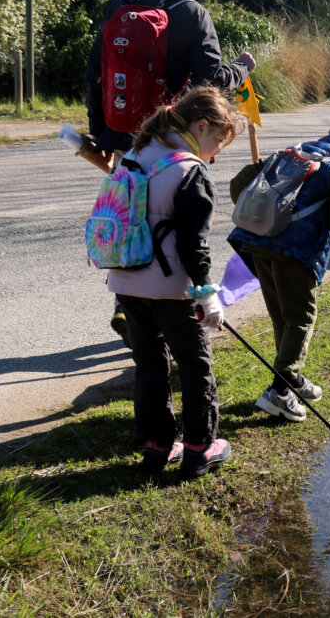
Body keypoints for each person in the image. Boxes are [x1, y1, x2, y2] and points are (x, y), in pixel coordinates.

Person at [82, 0, 255, 344]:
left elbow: (95, 72)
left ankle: (129, 305)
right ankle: (171, 314)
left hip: (125, 136)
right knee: (180, 224)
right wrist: (242, 68)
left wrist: (101, 131)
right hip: (172, 142)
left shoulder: (122, 3)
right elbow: (212, 79)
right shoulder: (192, 12)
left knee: (132, 217)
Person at [107, 87, 246, 476]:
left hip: (125, 281)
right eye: (217, 140)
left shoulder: (134, 154)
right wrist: (207, 294)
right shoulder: (189, 170)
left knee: (149, 363)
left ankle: (156, 447)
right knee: (194, 363)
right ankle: (200, 448)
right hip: (171, 288)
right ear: (201, 126)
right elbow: (193, 245)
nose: (215, 154)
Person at [226, 116, 330, 422]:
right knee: (300, 317)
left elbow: (238, 184)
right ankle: (280, 392)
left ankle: (292, 380)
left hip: (256, 243)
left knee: (282, 316)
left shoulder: (292, 151)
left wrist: (263, 222)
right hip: (296, 253)